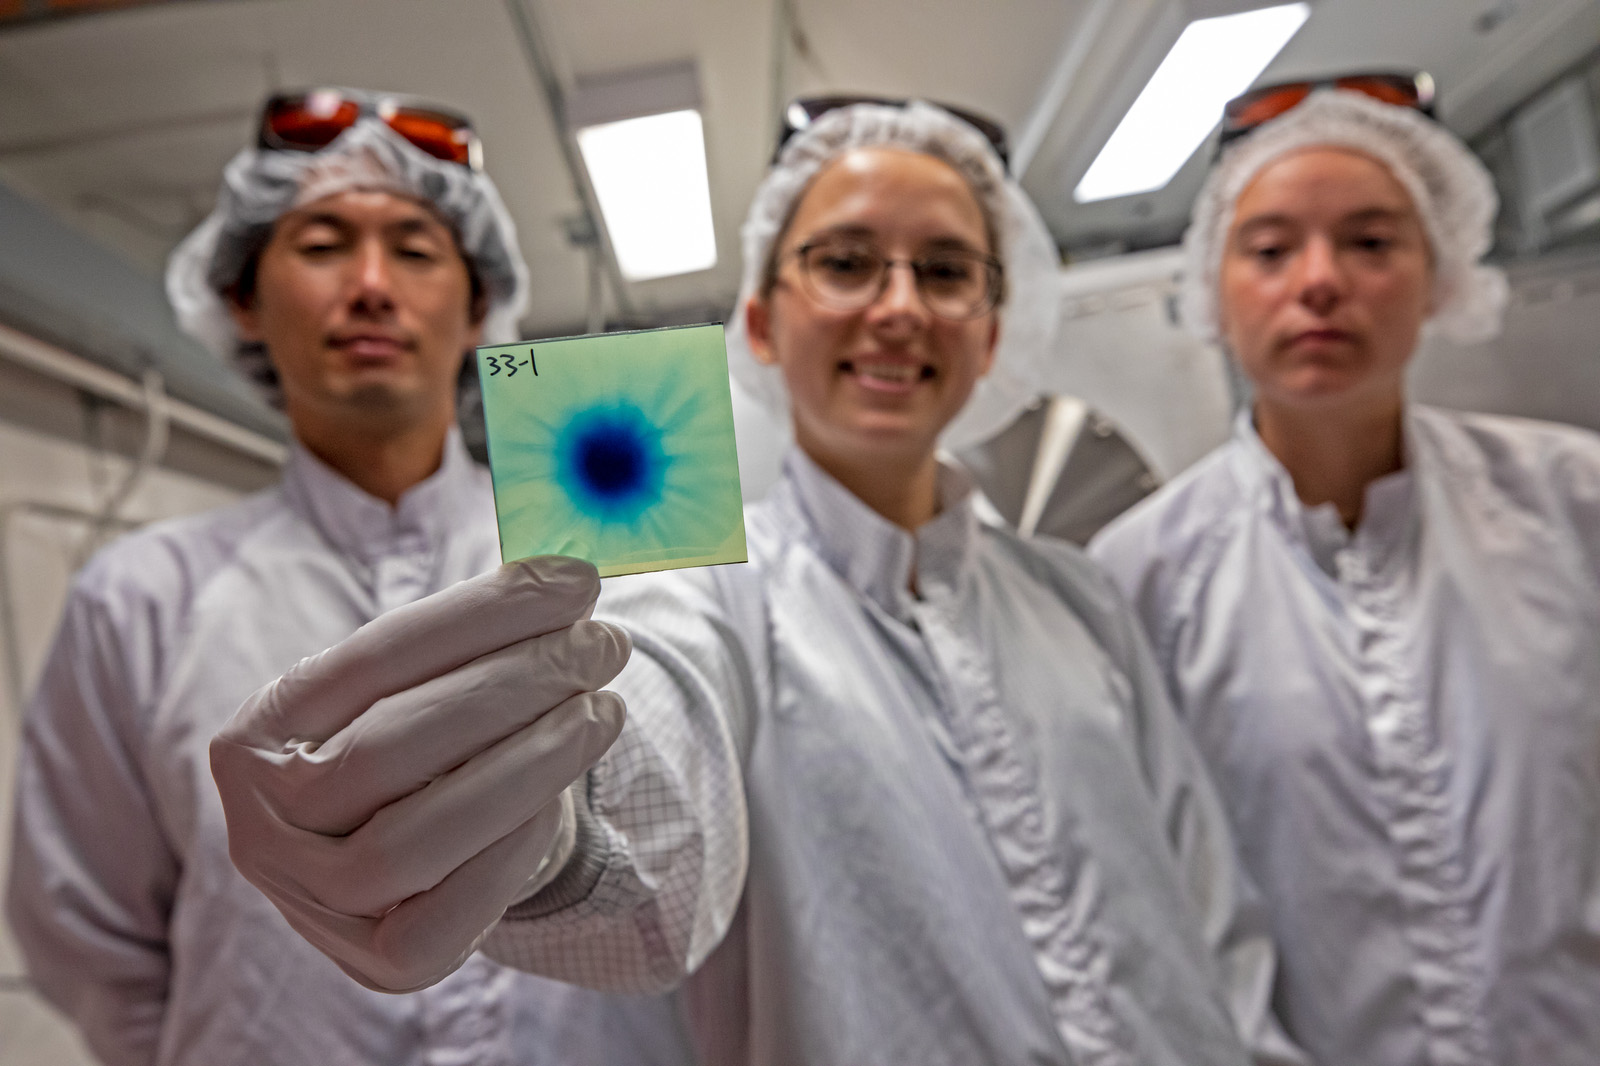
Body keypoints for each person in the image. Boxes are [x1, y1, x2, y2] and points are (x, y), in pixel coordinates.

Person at [208, 99, 1307, 1066]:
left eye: (944, 270)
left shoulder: (1082, 603)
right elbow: (660, 729)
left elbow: (1215, 912)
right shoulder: (714, 590)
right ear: (762, 324)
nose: (896, 306)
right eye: (843, 262)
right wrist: (549, 837)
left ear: (991, 329)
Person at [5, 87, 675, 1065]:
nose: (370, 284)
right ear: (244, 298)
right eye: (320, 245)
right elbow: (91, 937)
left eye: (413, 248)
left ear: (477, 301)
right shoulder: (140, 598)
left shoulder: (607, 558)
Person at [1089, 76, 1600, 1066]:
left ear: (1440, 274)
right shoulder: (1137, 578)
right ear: (1212, 288)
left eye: (1370, 243)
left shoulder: (1572, 505)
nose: (1319, 280)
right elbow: (1150, 907)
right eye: (1270, 249)